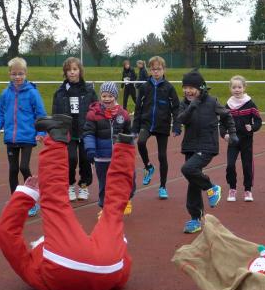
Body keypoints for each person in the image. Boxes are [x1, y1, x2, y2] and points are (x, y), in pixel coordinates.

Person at [0, 114, 133, 290]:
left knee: (114, 210)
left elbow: (123, 275)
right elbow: (5, 234)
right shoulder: (32, 269)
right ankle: (57, 136)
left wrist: (117, 249)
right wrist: (26, 194)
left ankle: (126, 146)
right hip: (82, 263)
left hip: (106, 267)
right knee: (55, 203)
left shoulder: (34, 271)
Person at [177, 70, 236, 233]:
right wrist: (191, 107)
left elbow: (227, 116)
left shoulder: (212, 101)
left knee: (188, 169)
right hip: (190, 145)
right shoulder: (184, 103)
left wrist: (232, 133)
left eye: (191, 88)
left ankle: (211, 187)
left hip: (207, 145)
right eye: (185, 87)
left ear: (200, 88)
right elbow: (181, 119)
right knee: (193, 181)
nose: (188, 91)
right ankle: (196, 218)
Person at [0, 57, 47, 216]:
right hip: (11, 137)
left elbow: (40, 114)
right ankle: (14, 200)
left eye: (20, 74)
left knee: (24, 167)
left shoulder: (32, 93)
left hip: (28, 137)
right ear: (9, 74)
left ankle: (31, 199)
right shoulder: (5, 94)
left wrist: (41, 132)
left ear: (26, 73)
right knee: (13, 169)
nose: (17, 77)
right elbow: (1, 114)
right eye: (14, 74)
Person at [84, 82, 136, 217]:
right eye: (104, 96)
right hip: (102, 157)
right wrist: (90, 148)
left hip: (119, 157)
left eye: (110, 96)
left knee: (127, 178)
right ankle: (105, 208)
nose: (107, 99)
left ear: (116, 96)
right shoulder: (93, 114)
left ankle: (126, 199)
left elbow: (129, 134)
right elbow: (88, 133)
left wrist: (129, 150)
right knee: (104, 184)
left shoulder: (123, 114)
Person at [132, 56, 180, 199]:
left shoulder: (169, 88)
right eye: (153, 69)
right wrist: (135, 128)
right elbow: (138, 108)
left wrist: (176, 126)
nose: (156, 72)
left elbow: (176, 108)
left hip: (162, 125)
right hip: (146, 123)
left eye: (159, 69)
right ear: (150, 70)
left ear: (164, 70)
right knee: (141, 142)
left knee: (162, 156)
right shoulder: (144, 87)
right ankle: (148, 167)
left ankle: (163, 186)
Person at [52, 57, 98, 201]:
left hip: (85, 131)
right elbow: (55, 114)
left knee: (85, 159)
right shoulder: (60, 93)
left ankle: (84, 186)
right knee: (70, 159)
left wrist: (95, 128)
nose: (72, 72)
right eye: (69, 70)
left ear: (80, 71)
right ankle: (70, 184)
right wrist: (56, 132)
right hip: (68, 132)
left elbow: (96, 110)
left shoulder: (89, 90)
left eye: (75, 69)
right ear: (65, 72)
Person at [220, 75, 262, 202]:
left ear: (244, 88)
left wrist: (252, 127)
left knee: (247, 165)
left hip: (246, 140)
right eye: (234, 87)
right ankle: (232, 189)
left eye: (239, 87)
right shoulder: (228, 105)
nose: (237, 90)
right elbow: (222, 124)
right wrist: (224, 134)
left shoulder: (250, 104)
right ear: (230, 89)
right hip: (233, 140)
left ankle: (248, 190)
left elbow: (258, 121)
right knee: (230, 165)